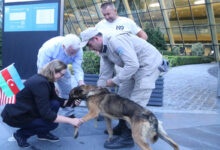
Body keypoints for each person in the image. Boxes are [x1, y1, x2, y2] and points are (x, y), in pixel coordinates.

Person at [80, 27, 163, 149]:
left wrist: (115, 81)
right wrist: (99, 88)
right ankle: (123, 126)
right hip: (133, 68)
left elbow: (132, 64)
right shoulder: (103, 49)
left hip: (147, 67)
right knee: (122, 98)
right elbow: (106, 70)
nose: (90, 48)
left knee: (134, 105)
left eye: (89, 44)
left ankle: (128, 137)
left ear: (96, 38)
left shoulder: (115, 41)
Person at [1, 60, 83, 148]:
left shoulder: (48, 81)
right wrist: (71, 120)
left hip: (28, 109)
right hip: (16, 116)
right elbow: (47, 114)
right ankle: (20, 134)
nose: (62, 77)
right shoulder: (40, 83)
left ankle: (42, 133)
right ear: (53, 71)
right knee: (52, 124)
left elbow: (57, 100)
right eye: (61, 74)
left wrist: (72, 103)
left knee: (54, 103)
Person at [37, 34, 85, 117]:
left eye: (75, 52)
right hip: (47, 67)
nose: (74, 54)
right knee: (46, 89)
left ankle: (69, 112)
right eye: (71, 52)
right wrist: (51, 84)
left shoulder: (78, 49)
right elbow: (42, 69)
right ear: (63, 46)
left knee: (67, 88)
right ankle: (45, 111)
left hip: (63, 66)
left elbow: (77, 68)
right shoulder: (49, 48)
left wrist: (81, 83)